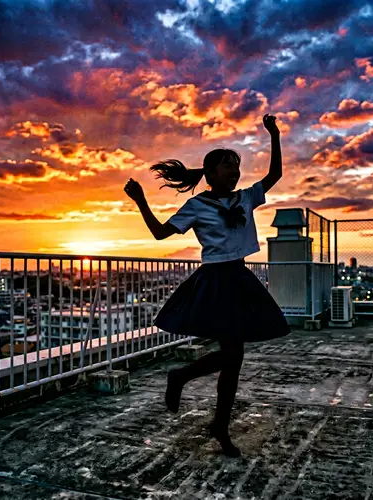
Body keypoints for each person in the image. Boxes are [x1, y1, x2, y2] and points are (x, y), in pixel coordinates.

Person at [124, 113, 289, 457]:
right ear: (211, 173)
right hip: (215, 280)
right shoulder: (197, 205)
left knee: (234, 359)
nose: (234, 172)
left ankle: (217, 422)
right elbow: (160, 233)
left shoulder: (245, 198)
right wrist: (141, 201)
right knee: (232, 355)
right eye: (228, 166)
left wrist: (273, 135)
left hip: (240, 277)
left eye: (237, 167)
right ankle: (184, 380)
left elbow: (276, 174)